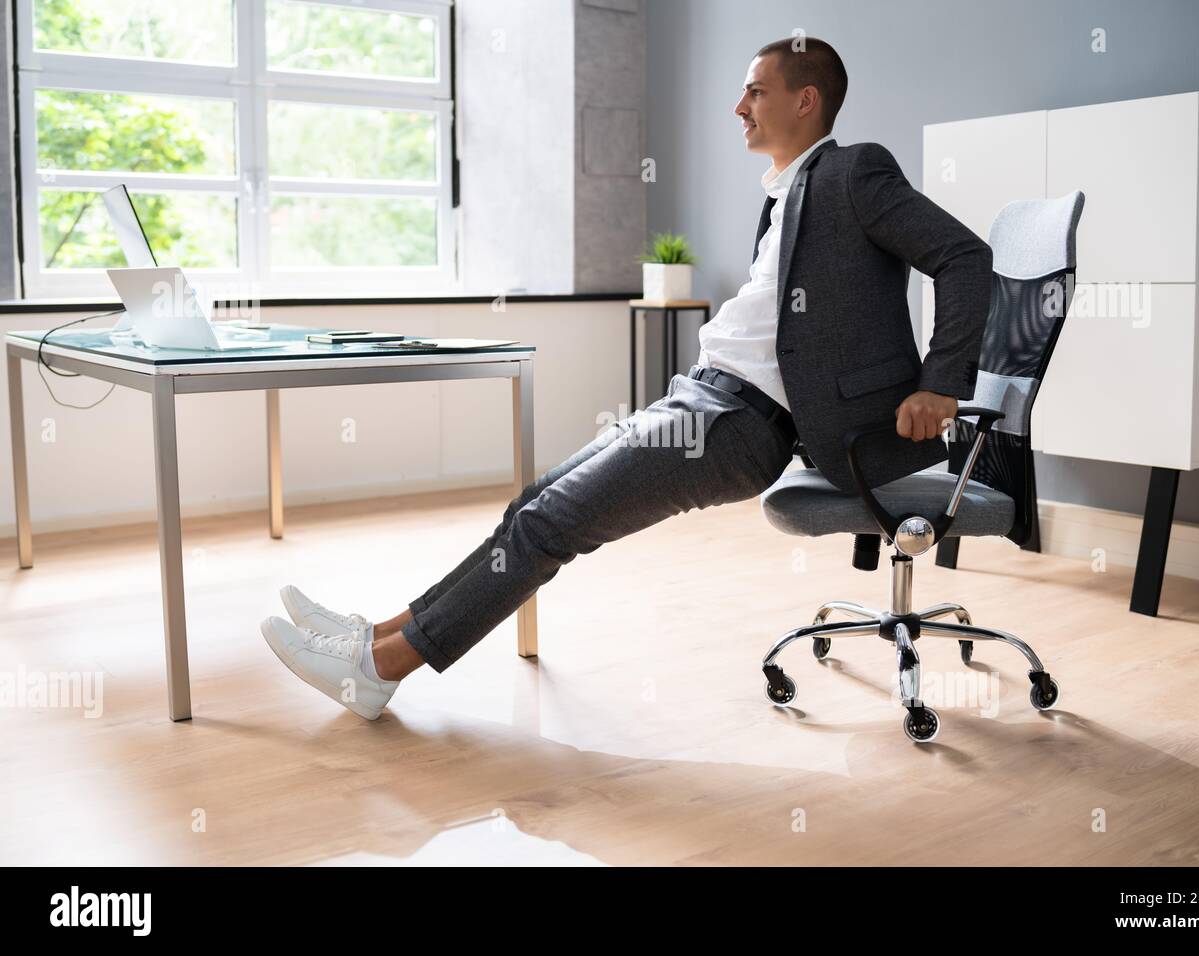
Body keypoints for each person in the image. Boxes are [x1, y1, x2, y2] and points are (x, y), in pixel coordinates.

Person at [259, 36, 993, 720]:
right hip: (703, 394)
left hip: (740, 424)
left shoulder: (852, 171)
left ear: (806, 101)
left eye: (755, 92)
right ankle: (377, 634)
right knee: (536, 502)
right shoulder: (785, 194)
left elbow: (964, 257)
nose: (739, 106)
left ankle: (380, 671)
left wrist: (941, 382)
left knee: (554, 524)